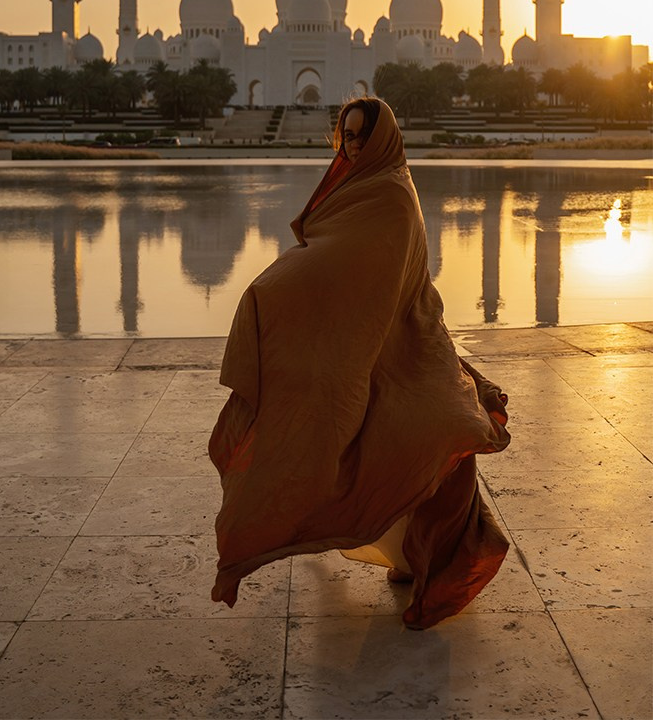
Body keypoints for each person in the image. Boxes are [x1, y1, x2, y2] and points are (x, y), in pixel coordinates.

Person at [207, 96, 511, 629]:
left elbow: (363, 267)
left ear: (381, 138)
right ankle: (410, 557)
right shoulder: (359, 184)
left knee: (438, 440)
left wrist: (276, 287)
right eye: (346, 135)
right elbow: (331, 257)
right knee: (376, 449)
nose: (351, 144)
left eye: (361, 136)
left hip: (409, 345)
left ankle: (434, 565)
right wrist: (278, 296)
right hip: (377, 348)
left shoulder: (391, 192)